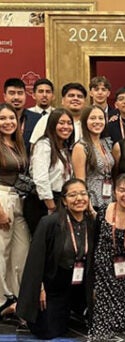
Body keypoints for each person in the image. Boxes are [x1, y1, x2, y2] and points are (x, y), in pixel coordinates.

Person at [17, 179, 95, 340]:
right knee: (48, 331)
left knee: (94, 324)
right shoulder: (49, 223)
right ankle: (15, 307)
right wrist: (40, 288)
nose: (79, 198)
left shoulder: (93, 222)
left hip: (79, 286)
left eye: (83, 194)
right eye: (73, 195)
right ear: (65, 201)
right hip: (54, 285)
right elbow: (35, 261)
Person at [89, 173, 125, 340]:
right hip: (102, 268)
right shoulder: (104, 211)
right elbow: (94, 241)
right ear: (114, 192)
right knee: (102, 321)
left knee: (119, 322)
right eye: (122, 190)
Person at [0, 103, 30, 317]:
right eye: (2, 118)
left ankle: (16, 296)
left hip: (19, 201)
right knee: (1, 253)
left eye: (11, 118)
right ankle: (2, 300)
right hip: (1, 199)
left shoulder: (18, 144)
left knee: (21, 251)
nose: (8, 122)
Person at [26, 108, 74, 234]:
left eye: (69, 123)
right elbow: (40, 178)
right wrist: (51, 206)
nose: (66, 127)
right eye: (61, 123)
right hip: (43, 203)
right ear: (52, 125)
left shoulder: (65, 148)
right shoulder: (44, 145)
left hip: (60, 201)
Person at [72, 105, 114, 210]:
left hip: (108, 197)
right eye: (92, 118)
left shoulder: (105, 143)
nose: (97, 121)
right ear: (85, 121)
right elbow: (79, 181)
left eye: (101, 118)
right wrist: (88, 206)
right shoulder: (81, 147)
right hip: (92, 200)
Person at [3, 78, 41, 154]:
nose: (16, 97)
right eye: (12, 93)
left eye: (20, 93)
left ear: (25, 95)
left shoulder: (37, 119)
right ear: (4, 96)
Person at [29, 78, 56, 144]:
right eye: (41, 91)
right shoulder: (27, 114)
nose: (44, 95)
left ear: (53, 96)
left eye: (48, 92)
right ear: (33, 95)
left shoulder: (57, 115)